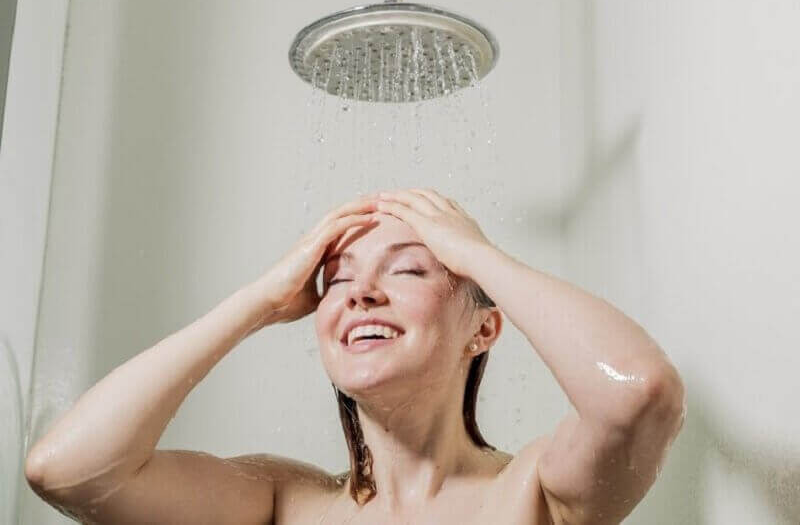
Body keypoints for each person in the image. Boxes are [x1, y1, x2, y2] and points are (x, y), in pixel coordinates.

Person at [25, 188, 686, 524]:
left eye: (409, 271)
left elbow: (639, 393)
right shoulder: (284, 499)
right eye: (337, 279)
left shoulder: (532, 491)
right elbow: (68, 471)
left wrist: (479, 255)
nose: (362, 292)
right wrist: (260, 298)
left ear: (483, 330)